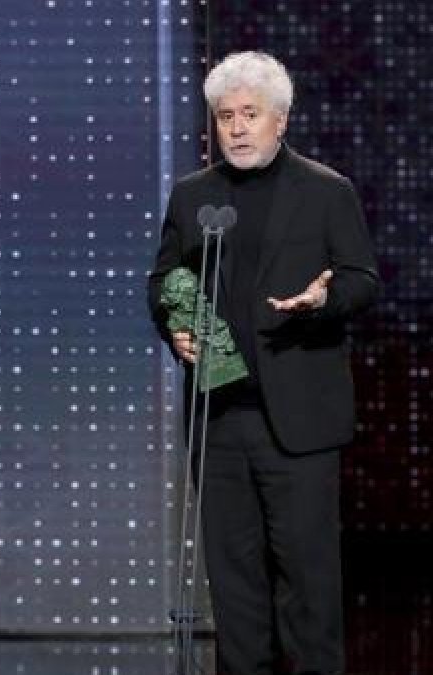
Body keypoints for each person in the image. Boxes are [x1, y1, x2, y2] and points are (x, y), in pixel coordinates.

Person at [148, 51, 380, 675]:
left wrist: (324, 298)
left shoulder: (327, 192)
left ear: (281, 120)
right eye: (227, 117)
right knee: (234, 582)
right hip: (220, 417)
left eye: (251, 114)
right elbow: (165, 278)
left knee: (308, 580)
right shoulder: (194, 195)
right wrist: (175, 324)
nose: (238, 128)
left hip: (299, 423)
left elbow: (361, 278)